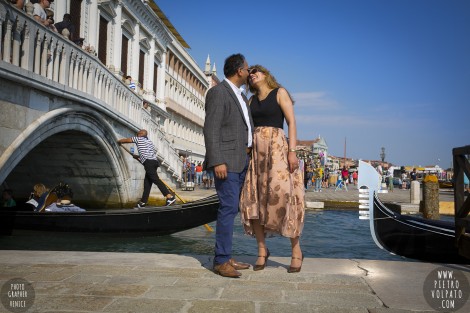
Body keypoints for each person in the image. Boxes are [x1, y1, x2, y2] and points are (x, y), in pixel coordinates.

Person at [240, 64, 305, 273]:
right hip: (256, 155)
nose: (252, 76)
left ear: (266, 75)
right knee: (255, 201)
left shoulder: (280, 92)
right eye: (249, 75)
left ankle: (296, 251)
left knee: (285, 197)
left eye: (255, 72)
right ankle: (261, 250)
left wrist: (292, 151)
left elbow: (291, 122)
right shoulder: (250, 101)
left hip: (277, 149)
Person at [203, 53, 253, 278]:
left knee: (232, 209)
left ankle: (227, 256)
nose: (250, 72)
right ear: (239, 70)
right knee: (227, 208)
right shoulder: (218, 92)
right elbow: (211, 128)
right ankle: (221, 261)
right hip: (227, 161)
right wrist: (217, 160)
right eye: (248, 68)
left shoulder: (241, 97)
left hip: (241, 160)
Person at [118, 129, 176, 208]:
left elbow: (127, 140)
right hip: (154, 162)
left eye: (137, 134)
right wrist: (138, 156)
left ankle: (169, 197)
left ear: (141, 134)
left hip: (149, 163)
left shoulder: (138, 139)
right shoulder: (149, 142)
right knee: (147, 184)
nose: (136, 135)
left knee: (156, 180)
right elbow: (148, 154)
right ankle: (143, 202)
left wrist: (119, 141)